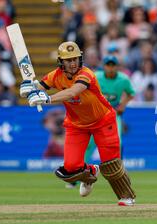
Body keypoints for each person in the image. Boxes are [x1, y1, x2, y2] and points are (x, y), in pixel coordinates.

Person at [20, 42, 136, 206]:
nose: (73, 63)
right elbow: (39, 86)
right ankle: (90, 172)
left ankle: (126, 196)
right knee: (70, 167)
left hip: (103, 121)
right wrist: (28, 88)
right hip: (77, 125)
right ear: (61, 62)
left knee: (111, 163)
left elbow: (72, 92)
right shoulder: (55, 75)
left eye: (75, 59)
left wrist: (47, 98)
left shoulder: (86, 74)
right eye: (68, 60)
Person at [84, 55, 135, 172]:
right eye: (108, 65)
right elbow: (85, 91)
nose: (110, 68)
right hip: (96, 114)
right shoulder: (96, 77)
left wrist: (122, 105)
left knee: (117, 141)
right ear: (104, 66)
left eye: (113, 65)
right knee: (89, 144)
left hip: (113, 113)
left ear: (117, 67)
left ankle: (119, 171)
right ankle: (79, 173)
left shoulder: (123, 79)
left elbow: (131, 93)